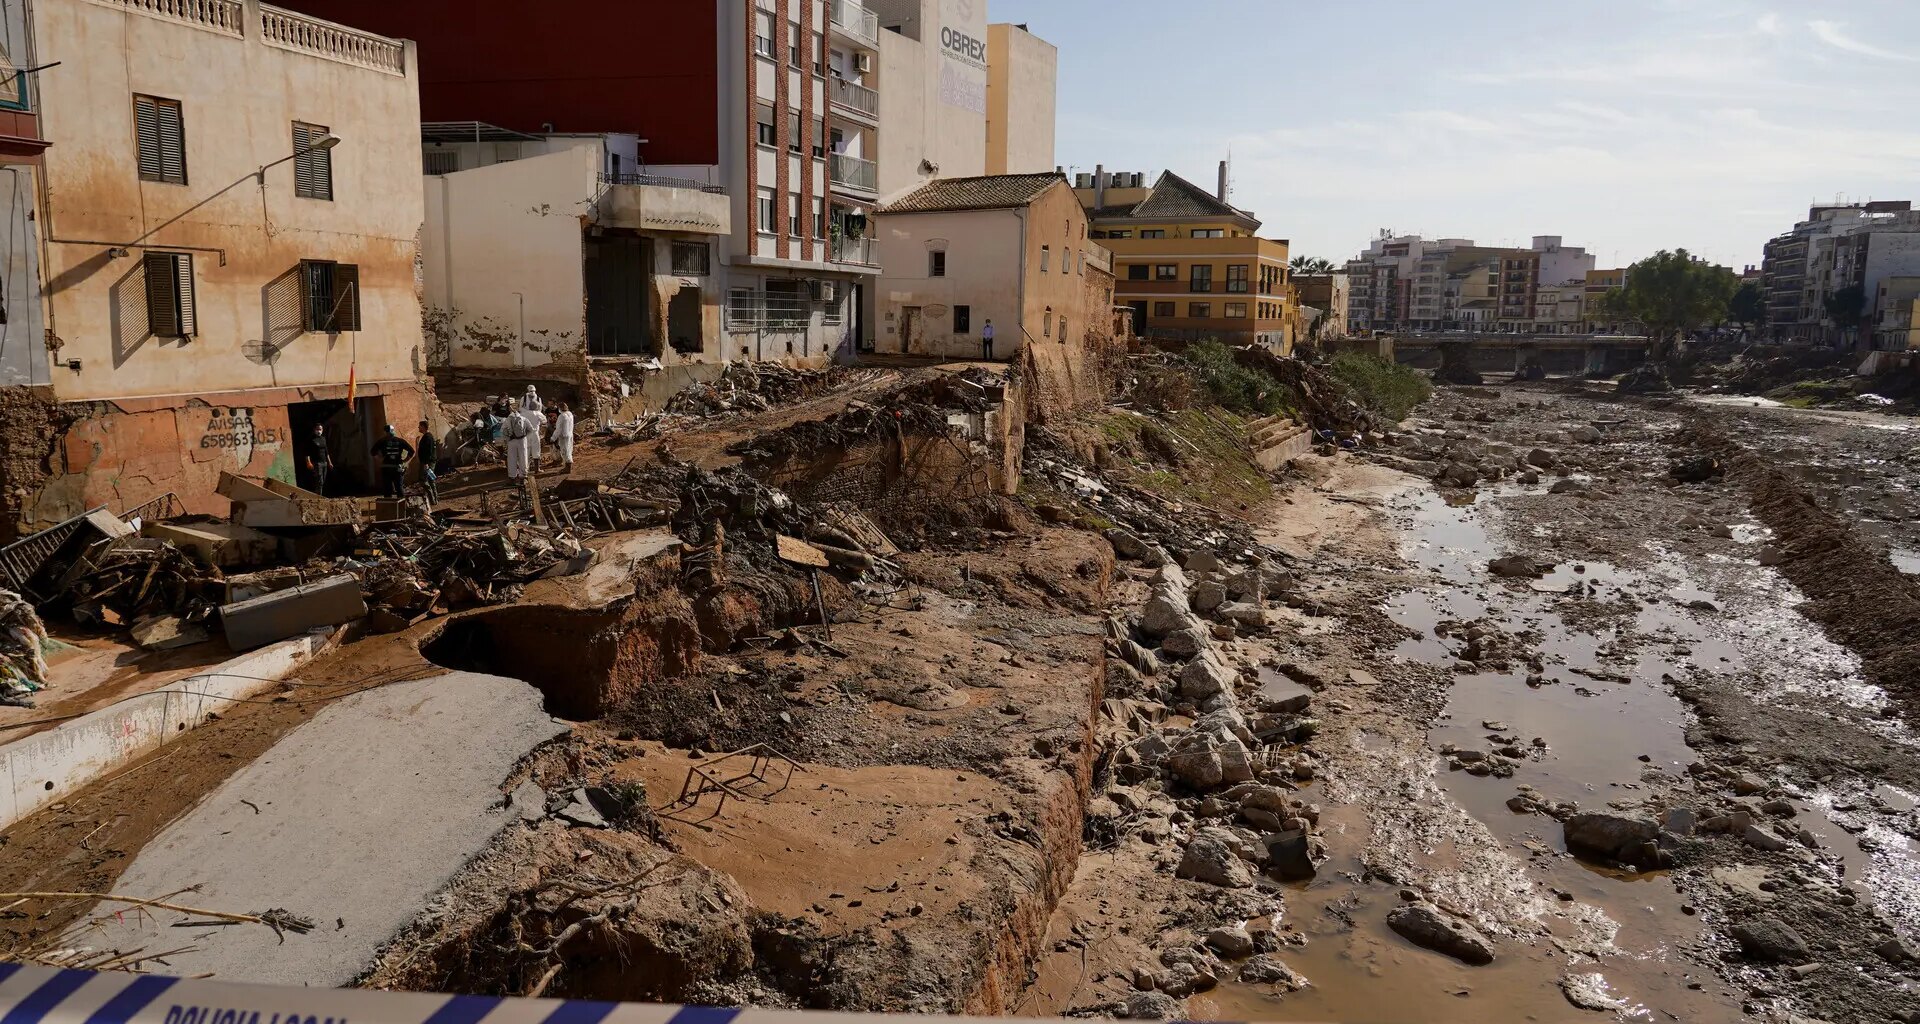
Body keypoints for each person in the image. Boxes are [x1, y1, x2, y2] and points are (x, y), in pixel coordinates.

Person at [372, 424, 414, 500]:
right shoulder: (400, 441)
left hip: (386, 468)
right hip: (397, 468)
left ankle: (389, 507)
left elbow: (372, 452)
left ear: (385, 432)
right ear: (393, 431)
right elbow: (412, 451)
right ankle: (401, 507)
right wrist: (405, 460)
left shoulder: (381, 441)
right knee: (399, 488)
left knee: (387, 489)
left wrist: (380, 460)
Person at [503, 399, 531, 481]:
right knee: (523, 457)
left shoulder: (508, 419)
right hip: (522, 440)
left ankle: (512, 476)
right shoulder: (523, 418)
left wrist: (507, 438)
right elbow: (530, 429)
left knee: (512, 458)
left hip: (512, 441)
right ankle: (523, 475)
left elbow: (503, 430)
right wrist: (525, 436)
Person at [415, 420, 440, 507]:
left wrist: (426, 463)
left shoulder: (428, 437)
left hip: (427, 462)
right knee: (430, 480)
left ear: (423, 426)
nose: (418, 428)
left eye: (419, 426)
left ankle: (433, 499)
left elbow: (428, 451)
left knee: (424, 480)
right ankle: (434, 499)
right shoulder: (426, 437)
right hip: (427, 462)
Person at [304, 423, 332, 495]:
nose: (319, 431)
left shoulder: (323, 439)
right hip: (317, 463)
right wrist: (308, 462)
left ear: (322, 430)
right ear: (314, 430)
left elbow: (326, 452)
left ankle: (316, 494)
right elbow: (307, 453)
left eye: (320, 429)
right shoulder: (311, 440)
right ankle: (319, 497)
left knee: (323, 481)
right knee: (320, 481)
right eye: (317, 429)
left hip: (324, 463)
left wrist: (330, 462)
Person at [550, 401, 575, 474]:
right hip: (570, 434)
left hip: (564, 436)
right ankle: (567, 467)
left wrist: (553, 438)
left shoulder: (562, 416)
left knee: (565, 451)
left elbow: (558, 429)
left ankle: (567, 468)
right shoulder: (570, 414)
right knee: (569, 450)